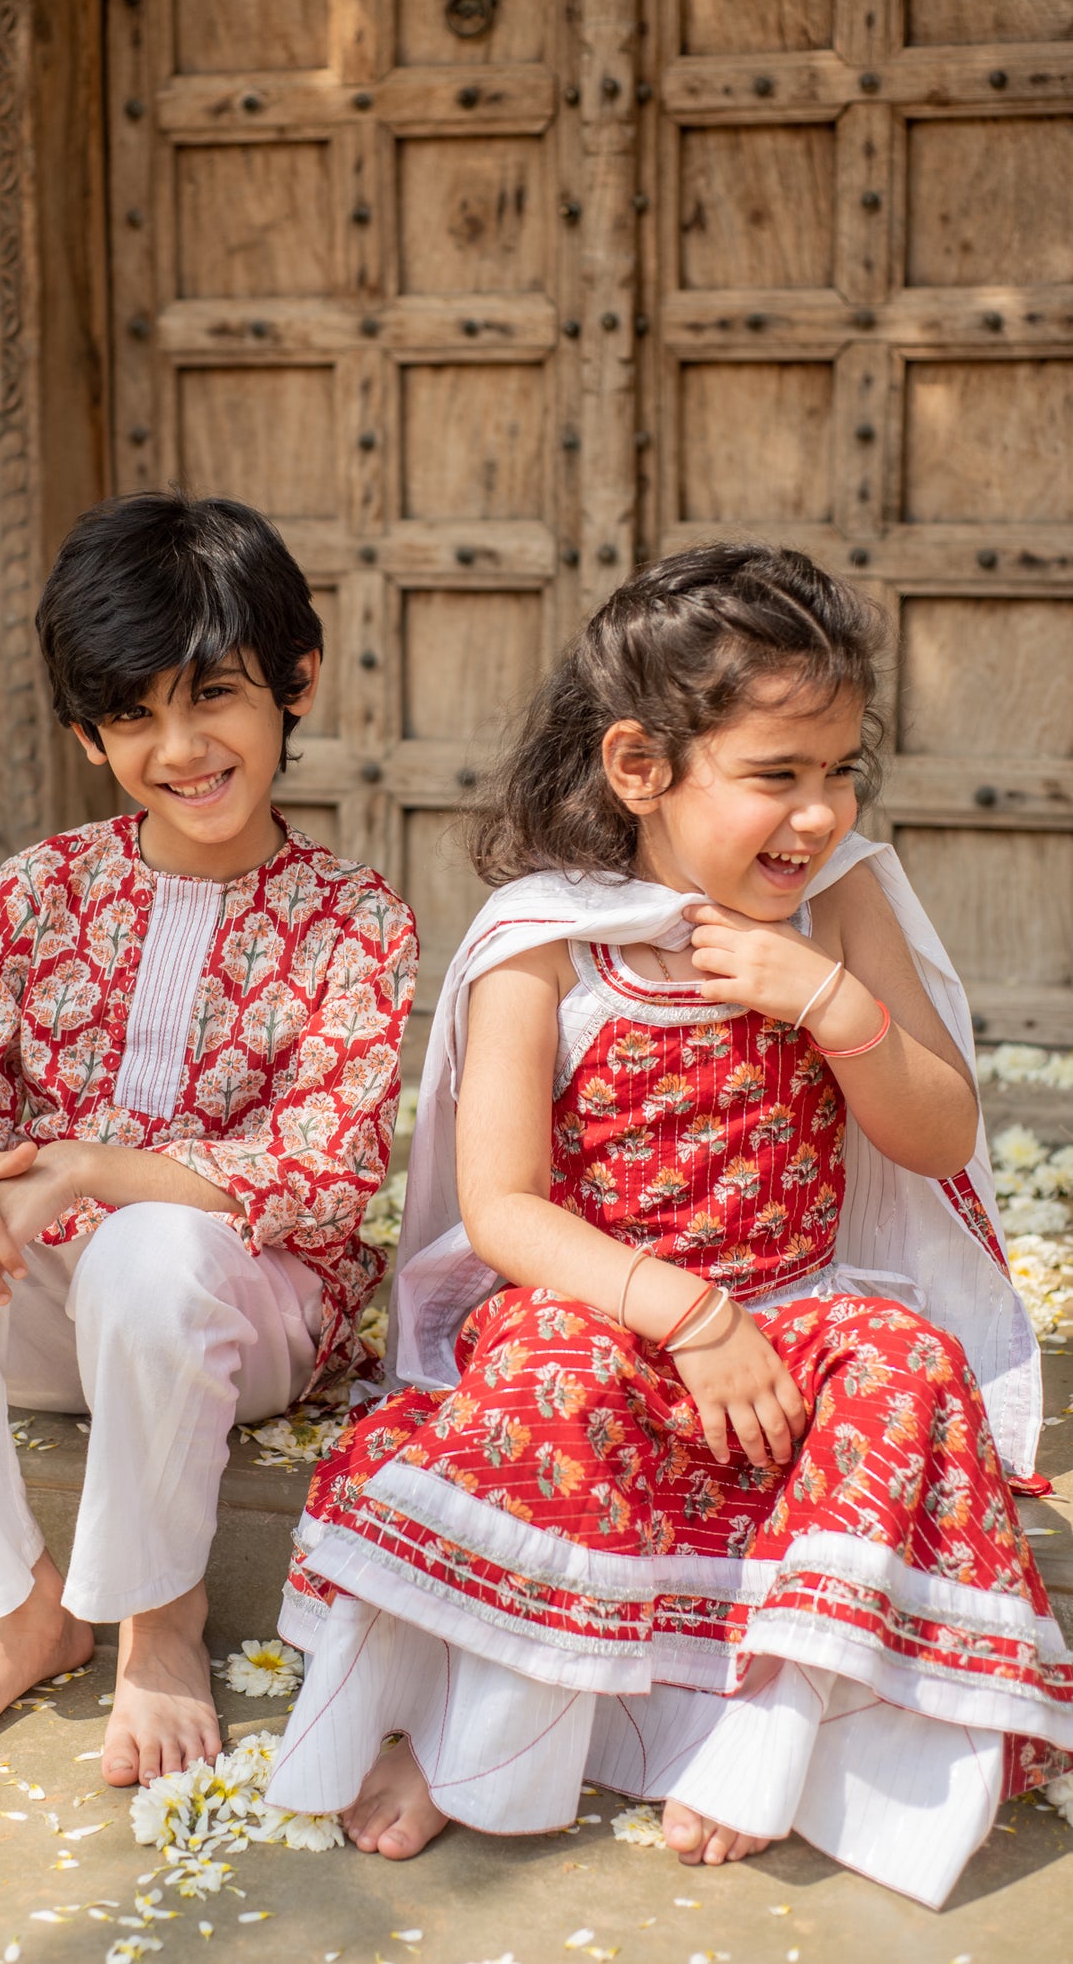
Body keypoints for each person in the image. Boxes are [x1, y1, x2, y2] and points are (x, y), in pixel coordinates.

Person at [267, 541, 1071, 1910]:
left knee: (906, 1364)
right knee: (553, 1379)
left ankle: (769, 1735)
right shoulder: (543, 939)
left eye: (840, 770)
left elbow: (936, 1137)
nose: (817, 812)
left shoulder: (841, 903)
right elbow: (503, 1206)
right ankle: (471, 1738)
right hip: (601, 1309)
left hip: (793, 1309)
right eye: (776, 773)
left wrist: (828, 1001)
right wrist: (688, 1316)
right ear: (640, 766)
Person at [0, 490, 416, 1789]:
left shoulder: (354, 919)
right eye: (133, 715)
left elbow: (321, 1173)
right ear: (88, 732)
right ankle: (22, 1608)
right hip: (36, 1311)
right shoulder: (42, 889)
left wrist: (86, 1169)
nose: (180, 747)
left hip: (231, 1319)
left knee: (152, 1252)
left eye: (214, 695)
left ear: (295, 681)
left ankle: (159, 1616)